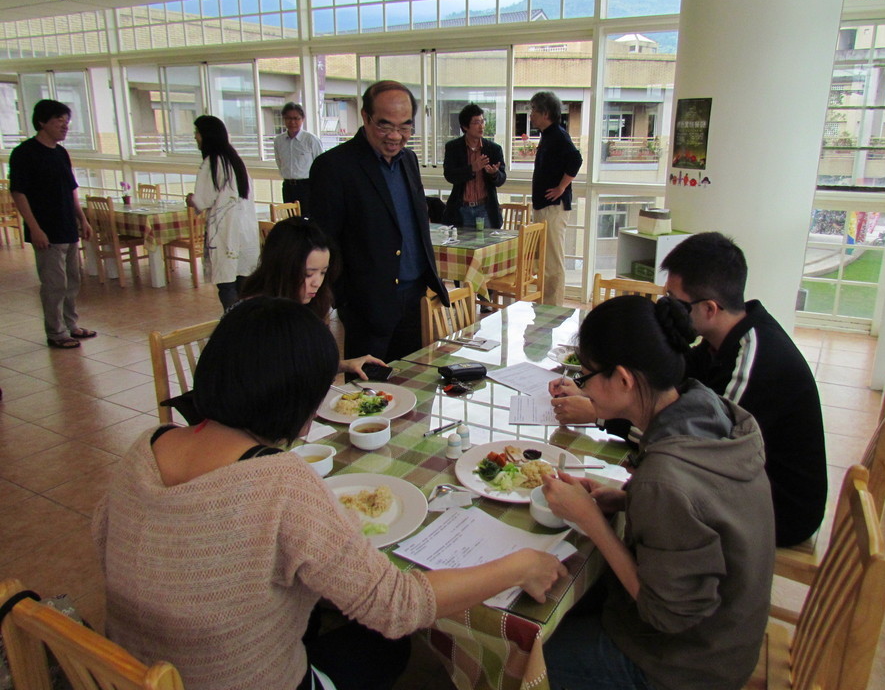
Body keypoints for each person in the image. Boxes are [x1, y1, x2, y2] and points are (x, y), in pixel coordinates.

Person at [93, 296, 566, 690]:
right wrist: (520, 563)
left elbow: (104, 543)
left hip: (127, 674)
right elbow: (397, 605)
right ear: (297, 398)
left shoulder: (146, 445)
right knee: (387, 645)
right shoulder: (277, 480)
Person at [541, 295, 775, 690]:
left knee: (529, 657)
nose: (582, 390)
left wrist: (592, 521)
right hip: (731, 634)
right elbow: (701, 511)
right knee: (572, 598)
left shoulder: (665, 479)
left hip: (687, 667)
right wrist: (624, 499)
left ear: (624, 380)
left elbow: (665, 613)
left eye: (585, 378)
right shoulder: (707, 407)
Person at [550, 232, 827, 547]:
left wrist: (600, 414)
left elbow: (695, 445)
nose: (665, 311)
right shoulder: (719, 339)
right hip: (735, 477)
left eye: (675, 303)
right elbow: (669, 394)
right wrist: (595, 392)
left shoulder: (753, 362)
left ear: (709, 309)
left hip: (779, 507)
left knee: (648, 506)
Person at [309, 80, 449, 361]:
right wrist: (347, 299)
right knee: (370, 393)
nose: (395, 136)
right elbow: (325, 243)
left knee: (413, 385)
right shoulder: (334, 167)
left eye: (405, 127)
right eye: (385, 126)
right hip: (368, 304)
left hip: (415, 297)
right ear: (365, 117)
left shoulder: (408, 159)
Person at [241, 217, 389, 379]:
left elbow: (305, 366)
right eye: (308, 274)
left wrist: (344, 365)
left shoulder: (310, 304)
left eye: (323, 272)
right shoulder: (252, 319)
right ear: (282, 269)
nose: (317, 282)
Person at [9, 99, 96, 350]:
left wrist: (83, 219)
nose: (65, 127)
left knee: (72, 280)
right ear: (41, 122)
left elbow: (71, 190)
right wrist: (35, 228)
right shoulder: (25, 153)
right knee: (54, 283)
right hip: (46, 230)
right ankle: (56, 332)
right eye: (59, 122)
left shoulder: (60, 153)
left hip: (67, 227)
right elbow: (19, 193)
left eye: (66, 122)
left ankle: (71, 325)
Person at [186, 115, 259, 312]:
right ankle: (246, 321)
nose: (195, 137)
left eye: (197, 133)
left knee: (227, 284)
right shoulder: (235, 160)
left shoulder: (212, 162)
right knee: (243, 282)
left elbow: (203, 200)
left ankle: (234, 324)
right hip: (246, 230)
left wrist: (190, 200)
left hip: (226, 230)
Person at [529, 91, 582, 306]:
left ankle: (552, 309)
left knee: (552, 262)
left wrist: (561, 187)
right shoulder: (548, 135)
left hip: (553, 208)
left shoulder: (558, 135)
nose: (531, 115)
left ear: (546, 113)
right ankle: (545, 304)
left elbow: (576, 160)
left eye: (533, 110)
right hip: (544, 206)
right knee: (543, 261)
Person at [441, 103, 506, 229]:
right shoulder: (453, 147)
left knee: (487, 247)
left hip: (485, 209)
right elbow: (449, 175)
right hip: (461, 209)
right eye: (476, 122)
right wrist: (472, 169)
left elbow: (501, 179)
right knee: (462, 246)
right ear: (465, 126)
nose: (481, 126)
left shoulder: (494, 149)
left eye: (482, 121)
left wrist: (494, 174)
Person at [274, 102, 323, 209]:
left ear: (303, 119)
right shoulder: (279, 141)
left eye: (296, 118)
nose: (292, 122)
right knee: (291, 221)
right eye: (288, 118)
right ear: (284, 119)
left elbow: (321, 165)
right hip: (288, 186)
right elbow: (279, 162)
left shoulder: (311, 139)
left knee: (307, 220)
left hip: (307, 186)